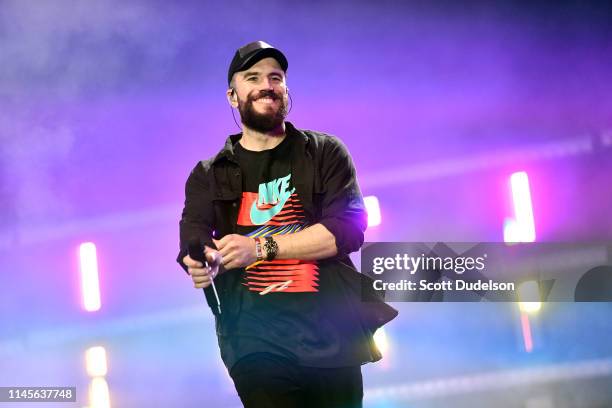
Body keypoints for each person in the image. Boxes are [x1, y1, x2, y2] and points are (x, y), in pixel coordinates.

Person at [177, 40, 397, 408]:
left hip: (332, 337)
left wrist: (260, 248)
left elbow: (348, 229)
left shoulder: (324, 152)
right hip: (254, 342)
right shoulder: (208, 175)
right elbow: (193, 235)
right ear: (233, 96)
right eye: (253, 77)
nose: (267, 84)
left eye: (275, 77)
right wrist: (201, 261)